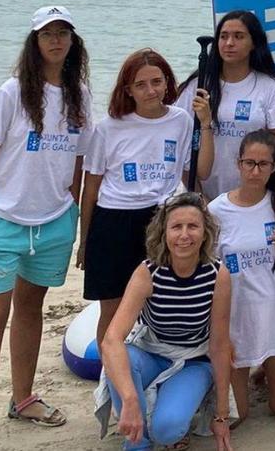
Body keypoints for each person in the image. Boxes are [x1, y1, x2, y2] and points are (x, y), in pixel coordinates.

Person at [0, 6, 90, 450]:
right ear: (34, 42)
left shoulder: (79, 94)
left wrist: (72, 209)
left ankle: (23, 397)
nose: (55, 41)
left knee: (31, 310)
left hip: (53, 223)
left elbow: (79, 159)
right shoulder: (12, 92)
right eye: (47, 34)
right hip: (3, 223)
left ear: (72, 43)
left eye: (63, 34)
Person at [95, 192, 233, 451]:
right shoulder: (148, 272)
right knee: (120, 355)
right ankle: (137, 442)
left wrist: (221, 415)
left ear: (205, 233)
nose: (184, 235)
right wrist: (129, 400)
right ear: (164, 233)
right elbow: (111, 338)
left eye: (193, 226)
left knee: (167, 430)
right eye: (176, 227)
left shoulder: (218, 275)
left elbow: (220, 346)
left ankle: (170, 411)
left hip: (193, 361)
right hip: (151, 353)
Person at [79, 48, 197, 347]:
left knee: (162, 299)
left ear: (168, 83)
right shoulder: (108, 127)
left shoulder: (181, 120)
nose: (150, 90)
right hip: (115, 221)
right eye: (140, 84)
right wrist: (85, 241)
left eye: (157, 82)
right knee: (114, 307)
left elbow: (187, 171)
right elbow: (91, 186)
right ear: (128, 89)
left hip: (161, 218)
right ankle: (111, 379)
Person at [208, 130, 275, 423]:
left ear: (274, 167)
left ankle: (269, 369)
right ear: (239, 163)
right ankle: (242, 373)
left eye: (263, 164)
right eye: (249, 163)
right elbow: (206, 269)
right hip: (236, 318)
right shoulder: (217, 210)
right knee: (235, 417)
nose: (255, 171)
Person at [176, 9, 275, 200]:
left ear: (254, 43)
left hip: (254, 197)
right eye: (223, 37)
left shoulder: (271, 88)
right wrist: (198, 195)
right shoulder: (197, 85)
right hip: (204, 197)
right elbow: (180, 144)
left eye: (238, 37)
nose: (229, 43)